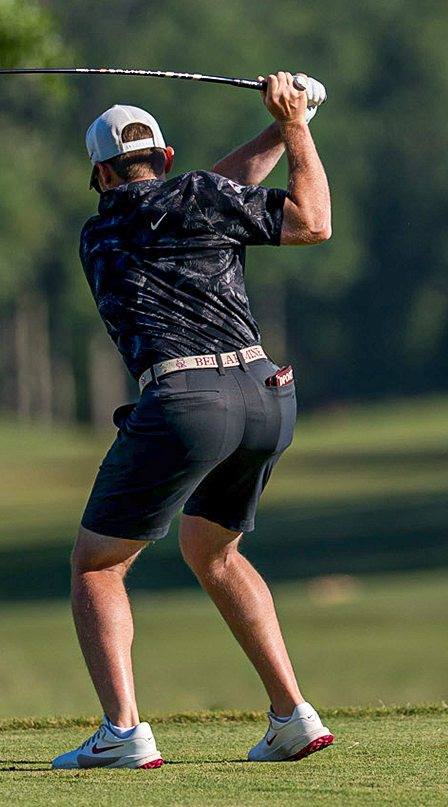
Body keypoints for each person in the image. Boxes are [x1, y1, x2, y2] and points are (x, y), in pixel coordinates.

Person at [51, 72, 334, 770]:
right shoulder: (202, 197)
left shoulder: (99, 234)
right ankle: (292, 715)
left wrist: (284, 125)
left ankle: (123, 732)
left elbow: (242, 199)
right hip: (266, 395)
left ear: (99, 174)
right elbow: (311, 220)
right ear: (169, 157)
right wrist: (295, 125)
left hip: (186, 404)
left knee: (97, 566)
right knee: (214, 551)